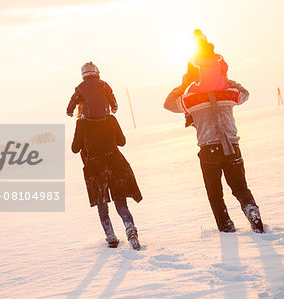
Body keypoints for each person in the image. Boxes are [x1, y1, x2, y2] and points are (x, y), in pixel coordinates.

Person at [163, 77, 264, 233]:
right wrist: (225, 80)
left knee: (215, 193)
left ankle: (226, 227)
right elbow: (245, 93)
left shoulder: (191, 99)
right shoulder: (226, 94)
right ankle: (251, 210)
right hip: (232, 147)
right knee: (240, 188)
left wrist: (183, 85)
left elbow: (168, 103)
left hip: (209, 150)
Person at [71, 112, 143, 249]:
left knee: (102, 204)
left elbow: (75, 148)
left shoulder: (82, 123)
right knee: (121, 203)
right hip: (115, 163)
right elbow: (121, 141)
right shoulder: (110, 118)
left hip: (95, 168)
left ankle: (111, 237)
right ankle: (131, 230)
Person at [182, 29, 230, 127]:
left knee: (189, 92)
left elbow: (190, 74)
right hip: (220, 84)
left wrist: (189, 81)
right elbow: (224, 67)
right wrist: (224, 78)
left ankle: (188, 116)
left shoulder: (196, 59)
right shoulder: (217, 58)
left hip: (204, 86)